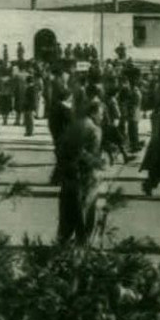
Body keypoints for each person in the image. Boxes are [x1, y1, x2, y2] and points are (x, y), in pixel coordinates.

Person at [57, 99, 104, 245]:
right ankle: (83, 240)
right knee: (86, 207)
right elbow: (89, 154)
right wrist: (99, 163)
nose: (102, 117)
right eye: (101, 114)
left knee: (67, 208)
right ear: (94, 112)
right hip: (85, 174)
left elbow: (60, 146)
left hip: (67, 172)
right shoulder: (94, 130)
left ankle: (63, 238)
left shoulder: (75, 124)